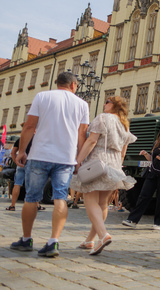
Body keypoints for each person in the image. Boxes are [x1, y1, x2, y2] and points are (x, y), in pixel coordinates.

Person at [10, 72, 89, 257]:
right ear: (73, 85)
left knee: (31, 197)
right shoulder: (82, 104)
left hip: (40, 155)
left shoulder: (42, 96)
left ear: (57, 83)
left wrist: (21, 151)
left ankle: (26, 239)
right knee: (60, 197)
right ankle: (53, 242)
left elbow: (29, 126)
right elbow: (81, 134)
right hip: (65, 158)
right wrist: (79, 159)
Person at [70, 96, 136, 255]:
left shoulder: (102, 118)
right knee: (103, 204)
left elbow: (92, 141)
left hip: (97, 161)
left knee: (89, 200)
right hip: (114, 164)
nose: (104, 104)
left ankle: (103, 235)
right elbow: (123, 151)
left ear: (114, 105)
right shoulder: (124, 124)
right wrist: (118, 167)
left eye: (107, 102)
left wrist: (78, 161)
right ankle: (90, 241)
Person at [122, 124, 160, 230]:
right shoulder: (156, 143)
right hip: (152, 173)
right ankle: (132, 220)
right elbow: (152, 158)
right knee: (143, 196)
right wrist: (146, 154)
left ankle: (159, 223)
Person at [6, 137, 44, 211]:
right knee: (33, 185)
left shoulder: (20, 139)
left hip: (21, 164)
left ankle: (12, 205)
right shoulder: (37, 139)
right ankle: (37, 205)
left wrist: (16, 162)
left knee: (17, 184)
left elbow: (13, 152)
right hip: (32, 164)